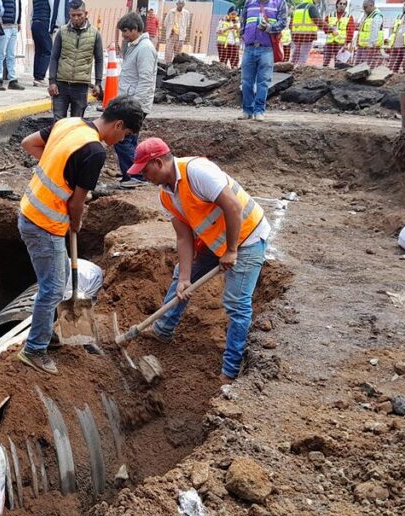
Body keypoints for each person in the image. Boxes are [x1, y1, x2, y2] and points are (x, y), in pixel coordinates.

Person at [16, 96, 145, 374]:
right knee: (51, 289)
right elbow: (76, 203)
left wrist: (58, 167)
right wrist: (77, 221)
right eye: (126, 134)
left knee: (58, 282)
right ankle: (34, 350)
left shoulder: (70, 123)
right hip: (44, 224)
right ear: (119, 124)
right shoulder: (94, 151)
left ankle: (47, 331)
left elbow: (30, 144)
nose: (122, 139)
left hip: (29, 211)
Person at [127, 138, 271, 383]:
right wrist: (185, 279)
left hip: (246, 237)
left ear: (158, 162)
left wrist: (232, 250)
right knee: (180, 276)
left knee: (236, 303)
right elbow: (184, 239)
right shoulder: (166, 195)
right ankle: (163, 329)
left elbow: (233, 208)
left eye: (144, 170)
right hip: (215, 240)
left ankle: (230, 370)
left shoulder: (197, 172)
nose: (143, 176)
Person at [115, 12, 157, 188]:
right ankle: (133, 174)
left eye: (125, 31)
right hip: (130, 101)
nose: (123, 35)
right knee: (129, 140)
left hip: (135, 103)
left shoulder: (144, 48)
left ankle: (134, 175)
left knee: (121, 139)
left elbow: (145, 79)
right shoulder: (133, 46)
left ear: (136, 29)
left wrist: (135, 107)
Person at [49, 1, 104, 120]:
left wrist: (98, 83)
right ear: (69, 14)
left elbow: (99, 60)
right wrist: (52, 82)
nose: (76, 18)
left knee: (76, 123)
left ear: (86, 13)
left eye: (79, 15)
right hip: (61, 85)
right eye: (73, 15)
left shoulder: (95, 34)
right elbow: (54, 58)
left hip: (81, 87)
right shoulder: (62, 32)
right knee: (58, 122)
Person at [239, 0, 288, 121]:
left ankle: (259, 111)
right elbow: (243, 19)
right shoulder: (249, 2)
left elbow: (283, 22)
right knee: (246, 82)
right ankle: (247, 110)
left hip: (267, 48)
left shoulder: (279, 3)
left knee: (263, 82)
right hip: (249, 47)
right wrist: (243, 34)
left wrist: (269, 28)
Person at [0, 0, 25, 91]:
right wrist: (0, 22)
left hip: (14, 27)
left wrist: (18, 22)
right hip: (4, 27)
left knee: (11, 55)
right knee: (0, 54)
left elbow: (18, 8)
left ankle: (12, 80)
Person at [289, 0, 329, 66]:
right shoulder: (311, 7)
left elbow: (290, 24)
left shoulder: (297, 7)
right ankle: (299, 71)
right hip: (307, 36)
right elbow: (318, 21)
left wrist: (294, 33)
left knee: (295, 55)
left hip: (296, 35)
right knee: (303, 56)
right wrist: (330, 30)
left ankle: (291, 69)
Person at [321, 0, 355, 68]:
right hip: (329, 43)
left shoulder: (349, 17)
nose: (342, 5)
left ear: (346, 6)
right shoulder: (330, 15)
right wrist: (330, 30)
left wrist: (346, 43)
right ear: (337, 4)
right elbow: (324, 27)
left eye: (344, 4)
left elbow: (350, 31)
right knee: (325, 62)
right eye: (341, 3)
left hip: (341, 43)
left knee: (339, 63)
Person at [355, 0, 384, 68]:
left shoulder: (377, 15)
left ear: (371, 5)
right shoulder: (366, 15)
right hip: (362, 45)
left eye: (365, 7)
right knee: (357, 64)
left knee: (368, 65)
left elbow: (375, 31)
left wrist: (371, 45)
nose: (364, 9)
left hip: (370, 47)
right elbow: (361, 29)